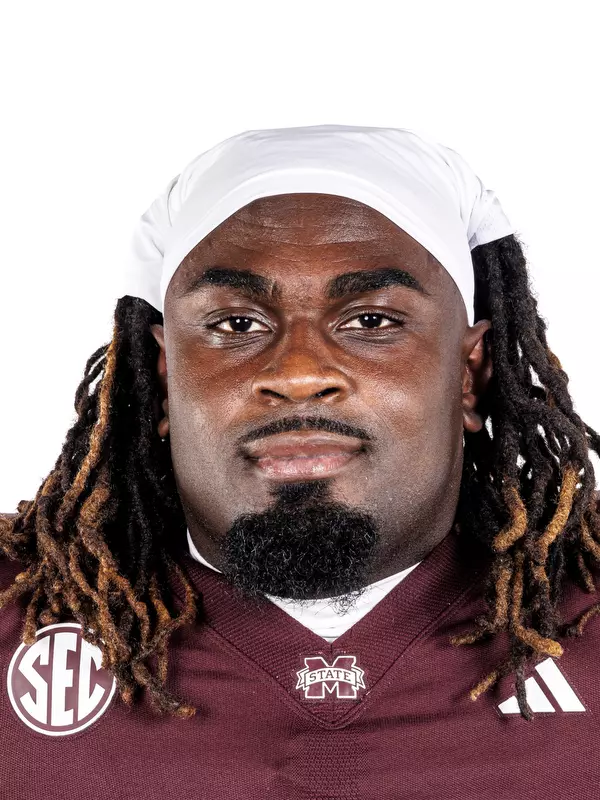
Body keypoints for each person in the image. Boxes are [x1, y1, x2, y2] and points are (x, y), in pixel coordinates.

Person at [2, 124, 600, 799]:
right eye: (236, 325)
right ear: (164, 376)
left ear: (469, 374)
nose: (298, 373)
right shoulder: (15, 618)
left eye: (371, 321)